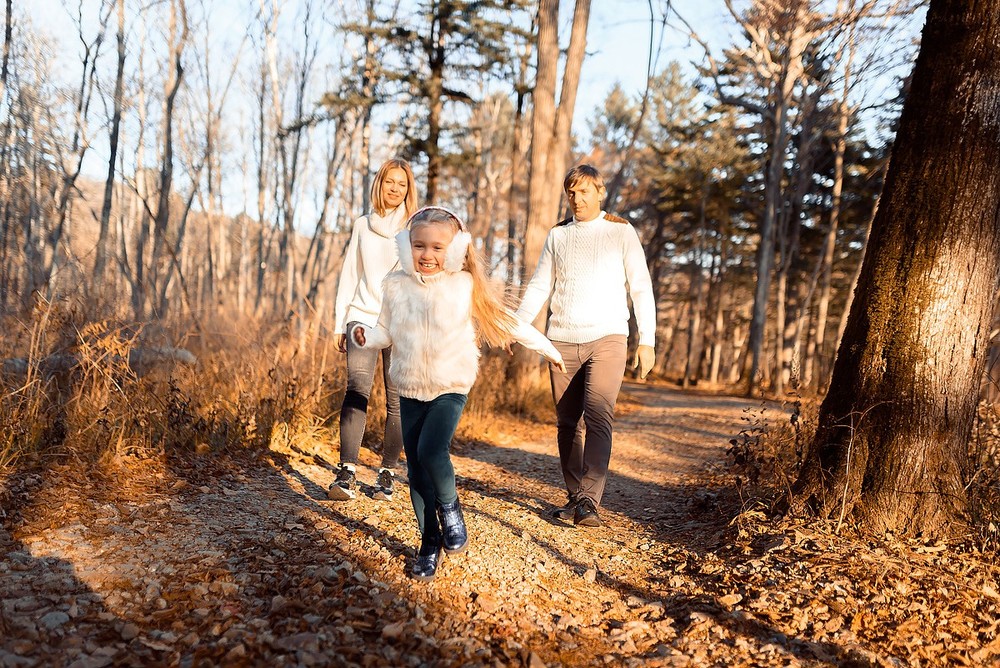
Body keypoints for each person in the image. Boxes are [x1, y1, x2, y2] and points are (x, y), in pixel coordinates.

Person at [352, 206, 565, 581]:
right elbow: (385, 331)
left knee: (431, 451)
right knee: (416, 470)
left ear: (454, 250)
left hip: (451, 385)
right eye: (419, 246)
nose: (427, 255)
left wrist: (549, 349)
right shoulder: (396, 286)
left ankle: (450, 509)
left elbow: (508, 323)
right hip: (409, 385)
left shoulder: (465, 287)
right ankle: (429, 543)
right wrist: (366, 337)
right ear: (406, 247)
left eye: (437, 247)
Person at [515, 164, 656, 528]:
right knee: (566, 423)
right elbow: (539, 286)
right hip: (561, 339)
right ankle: (575, 495)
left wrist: (647, 341)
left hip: (608, 336)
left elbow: (640, 287)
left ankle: (590, 501)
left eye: (584, 191)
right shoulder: (558, 236)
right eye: (571, 193)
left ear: (600, 191)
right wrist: (516, 326)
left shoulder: (621, 232)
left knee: (598, 415)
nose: (577, 199)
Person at [329, 158, 419, 502]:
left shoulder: (414, 227)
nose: (395, 189)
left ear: (408, 190)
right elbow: (349, 274)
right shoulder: (362, 225)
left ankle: (386, 473)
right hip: (361, 317)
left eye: (402, 184)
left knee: (396, 400)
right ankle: (347, 472)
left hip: (400, 322)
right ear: (379, 184)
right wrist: (340, 322)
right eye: (389, 182)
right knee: (356, 389)